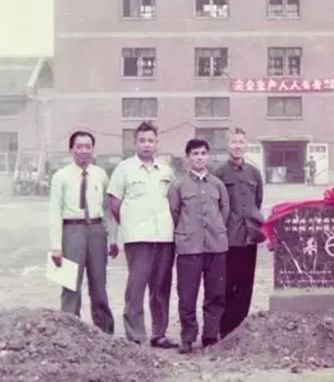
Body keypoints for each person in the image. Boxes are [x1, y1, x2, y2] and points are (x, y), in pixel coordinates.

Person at [107, 121, 178, 348]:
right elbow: (114, 204)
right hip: (138, 239)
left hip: (164, 237)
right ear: (134, 143)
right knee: (136, 287)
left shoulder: (166, 170)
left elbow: (174, 202)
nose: (146, 145)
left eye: (150, 141)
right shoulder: (124, 169)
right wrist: (130, 224)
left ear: (157, 143)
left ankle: (159, 334)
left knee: (161, 288)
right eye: (142, 141)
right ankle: (135, 335)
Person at [49, 130, 118, 334]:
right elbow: (54, 212)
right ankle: (69, 332)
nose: (84, 151)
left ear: (93, 149)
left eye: (88, 147)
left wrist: (112, 238)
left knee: (99, 284)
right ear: (71, 149)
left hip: (96, 231)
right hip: (71, 230)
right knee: (69, 284)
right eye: (79, 146)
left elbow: (107, 210)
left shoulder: (101, 174)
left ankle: (104, 332)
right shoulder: (60, 177)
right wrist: (56, 246)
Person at [169, 139, 230, 354]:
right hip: (189, 248)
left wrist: (215, 230)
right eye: (195, 153)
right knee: (187, 296)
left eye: (203, 153)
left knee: (215, 294)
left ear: (208, 156)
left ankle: (210, 336)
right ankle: (187, 337)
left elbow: (224, 211)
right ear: (188, 157)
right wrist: (187, 231)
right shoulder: (178, 185)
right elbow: (175, 212)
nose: (200, 157)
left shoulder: (218, 184)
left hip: (215, 246)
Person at [212, 128, 265, 338]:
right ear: (227, 145)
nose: (237, 146)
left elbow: (257, 202)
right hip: (227, 238)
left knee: (245, 284)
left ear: (246, 145)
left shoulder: (254, 173)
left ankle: (240, 329)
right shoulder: (219, 174)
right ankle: (225, 329)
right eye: (234, 142)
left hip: (249, 237)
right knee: (226, 284)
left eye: (241, 142)